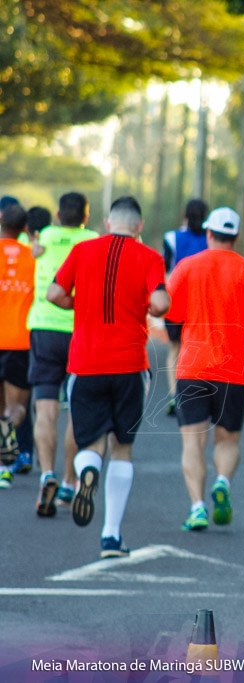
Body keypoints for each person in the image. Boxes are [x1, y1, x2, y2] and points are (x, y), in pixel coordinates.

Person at [47, 197, 169, 558]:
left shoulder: (84, 250)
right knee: (123, 447)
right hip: (129, 365)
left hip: (85, 364)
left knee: (91, 443)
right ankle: (111, 536)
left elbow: (55, 293)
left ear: (106, 221)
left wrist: (78, 304)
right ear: (139, 226)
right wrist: (145, 305)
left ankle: (87, 473)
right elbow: (161, 305)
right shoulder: (149, 258)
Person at [165, 207, 244, 531]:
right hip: (233, 368)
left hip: (192, 366)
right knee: (227, 440)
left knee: (192, 442)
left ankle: (197, 507)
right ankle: (223, 482)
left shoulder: (188, 265)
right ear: (237, 237)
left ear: (209, 234)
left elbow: (169, 307)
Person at [28, 192, 99, 511]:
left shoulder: (43, 237)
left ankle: (47, 475)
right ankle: (69, 481)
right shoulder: (94, 241)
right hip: (80, 330)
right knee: (75, 408)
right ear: (86, 216)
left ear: (57, 214)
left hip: (43, 327)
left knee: (45, 407)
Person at [162, 199, 209, 416]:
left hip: (175, 302)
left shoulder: (172, 238)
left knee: (175, 349)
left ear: (185, 215)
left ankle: (175, 397)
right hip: (202, 303)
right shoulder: (210, 239)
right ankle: (195, 395)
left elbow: (164, 269)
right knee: (198, 348)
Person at [0, 204, 33, 491]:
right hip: (20, 342)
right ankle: (5, 464)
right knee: (16, 407)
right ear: (25, 228)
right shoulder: (34, 257)